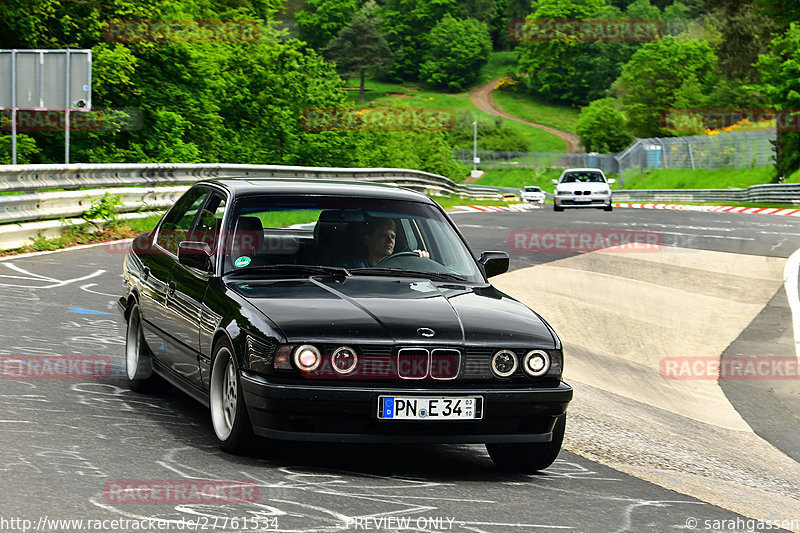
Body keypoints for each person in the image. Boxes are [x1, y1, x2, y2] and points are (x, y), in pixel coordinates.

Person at [345, 217, 428, 268]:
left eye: (393, 237)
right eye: (384, 236)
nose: (390, 240)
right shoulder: (350, 268)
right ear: (368, 241)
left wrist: (419, 262)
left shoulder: (402, 266)